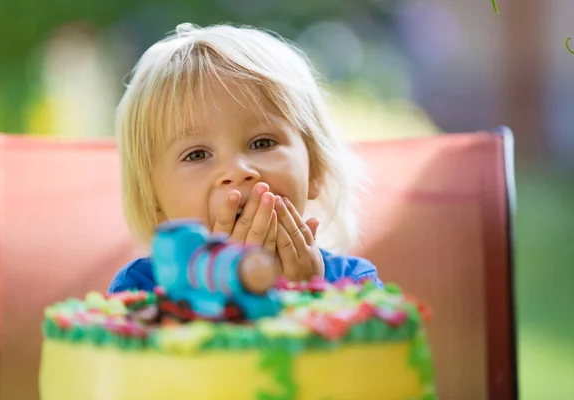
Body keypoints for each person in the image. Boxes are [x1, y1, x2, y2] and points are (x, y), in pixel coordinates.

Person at [108, 22, 383, 293]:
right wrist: (223, 293)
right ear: (155, 203)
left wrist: (305, 294)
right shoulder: (139, 290)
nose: (237, 170)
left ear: (315, 170)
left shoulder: (355, 285)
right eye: (197, 154)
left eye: (262, 143)